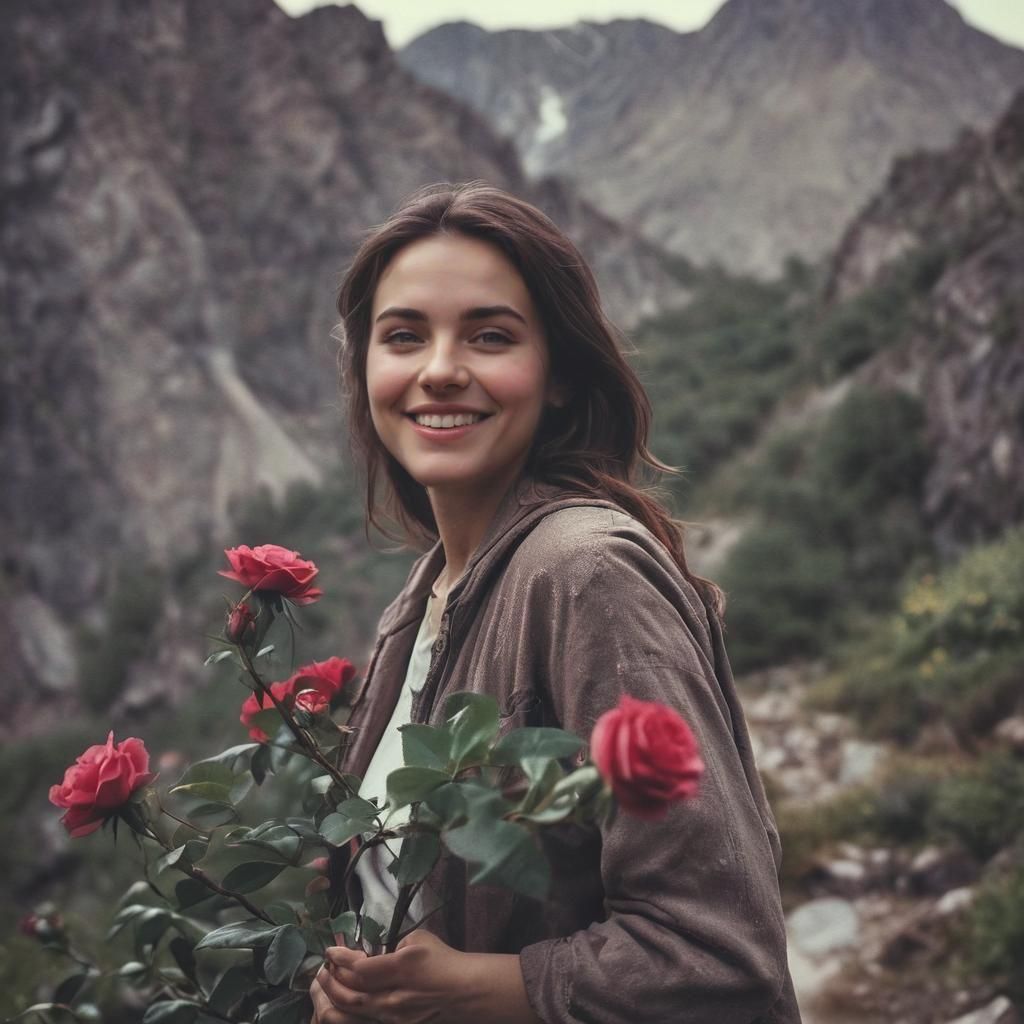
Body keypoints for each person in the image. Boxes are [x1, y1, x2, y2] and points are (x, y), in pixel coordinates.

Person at [311, 182, 801, 1024]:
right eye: (403, 336)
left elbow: (721, 955)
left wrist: (469, 993)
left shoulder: (587, 574)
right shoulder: (421, 600)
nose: (439, 370)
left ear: (561, 376)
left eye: (490, 335)